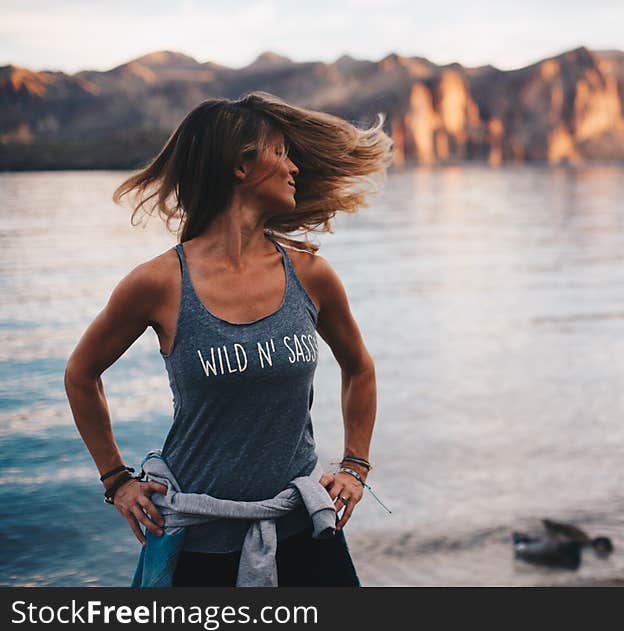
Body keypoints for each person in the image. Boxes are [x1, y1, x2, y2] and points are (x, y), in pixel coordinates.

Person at [63, 91, 393, 586]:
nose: (293, 167)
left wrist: (355, 465)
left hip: (303, 532)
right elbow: (81, 375)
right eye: (279, 152)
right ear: (240, 166)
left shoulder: (311, 274)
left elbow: (360, 368)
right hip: (199, 544)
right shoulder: (159, 283)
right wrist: (117, 480)